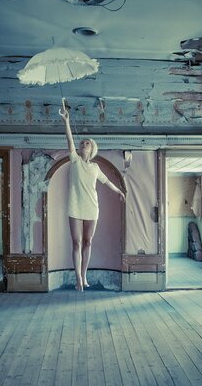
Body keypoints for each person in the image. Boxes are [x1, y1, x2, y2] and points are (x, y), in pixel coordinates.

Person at [59, 98, 126, 292]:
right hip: (75, 206)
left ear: (91, 149)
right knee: (77, 242)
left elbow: (106, 181)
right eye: (82, 143)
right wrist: (66, 121)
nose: (82, 144)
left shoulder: (95, 167)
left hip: (92, 207)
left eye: (86, 143)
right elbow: (69, 141)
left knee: (88, 242)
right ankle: (78, 278)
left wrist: (119, 191)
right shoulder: (74, 160)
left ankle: (85, 274)